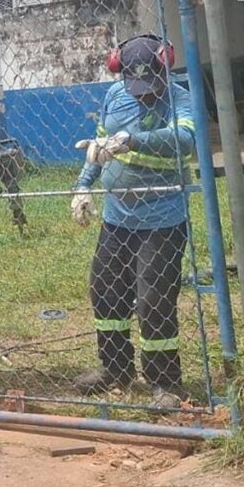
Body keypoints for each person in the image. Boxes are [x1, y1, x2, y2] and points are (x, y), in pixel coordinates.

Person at [70, 34, 196, 409]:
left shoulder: (181, 97)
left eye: (149, 86)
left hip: (162, 218)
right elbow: (101, 145)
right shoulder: (115, 96)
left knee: (153, 301)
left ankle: (165, 382)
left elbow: (186, 139)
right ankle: (115, 368)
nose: (142, 94)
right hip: (117, 218)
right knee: (106, 292)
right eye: (135, 85)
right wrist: (83, 185)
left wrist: (133, 140)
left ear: (164, 66)